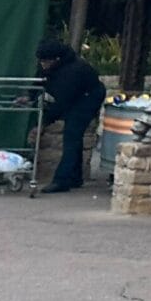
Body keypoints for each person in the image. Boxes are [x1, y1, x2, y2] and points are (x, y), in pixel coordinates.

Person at [35, 40, 106, 192]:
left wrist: (45, 122)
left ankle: (62, 180)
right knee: (74, 136)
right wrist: (29, 96)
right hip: (76, 94)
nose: (43, 65)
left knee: (72, 133)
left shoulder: (72, 71)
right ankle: (75, 176)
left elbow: (62, 103)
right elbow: (39, 81)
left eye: (45, 62)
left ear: (56, 60)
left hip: (89, 97)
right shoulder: (49, 64)